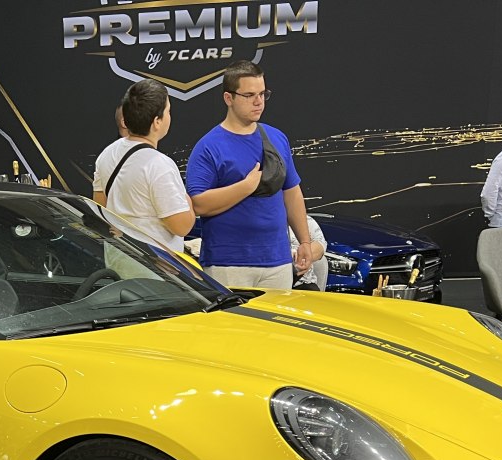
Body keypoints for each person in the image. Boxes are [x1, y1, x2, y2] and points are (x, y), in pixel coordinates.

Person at [185, 60, 316, 289]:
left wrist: (305, 240)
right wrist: (245, 187)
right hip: (228, 265)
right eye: (249, 95)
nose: (258, 102)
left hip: (278, 261)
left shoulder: (277, 138)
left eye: (262, 94)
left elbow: (292, 192)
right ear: (229, 98)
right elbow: (199, 204)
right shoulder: (208, 147)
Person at [91, 80, 195, 252]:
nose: (170, 116)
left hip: (118, 258)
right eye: (168, 111)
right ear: (157, 122)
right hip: (155, 269)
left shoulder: (107, 154)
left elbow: (101, 207)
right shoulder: (159, 165)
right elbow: (182, 226)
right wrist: (188, 201)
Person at [290, 217, 328, 291]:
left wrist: (302, 258)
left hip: (303, 283)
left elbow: (320, 244)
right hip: (275, 281)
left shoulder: (306, 220)